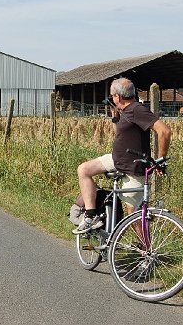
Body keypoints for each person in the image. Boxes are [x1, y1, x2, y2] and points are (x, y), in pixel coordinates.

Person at [72, 77, 171, 234]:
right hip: (116, 160)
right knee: (84, 169)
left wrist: (160, 160)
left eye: (112, 95)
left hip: (133, 167)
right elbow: (119, 134)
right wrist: (115, 116)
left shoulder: (137, 109)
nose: (111, 98)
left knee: (134, 219)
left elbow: (164, 131)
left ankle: (146, 252)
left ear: (117, 96)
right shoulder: (126, 111)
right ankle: (91, 216)